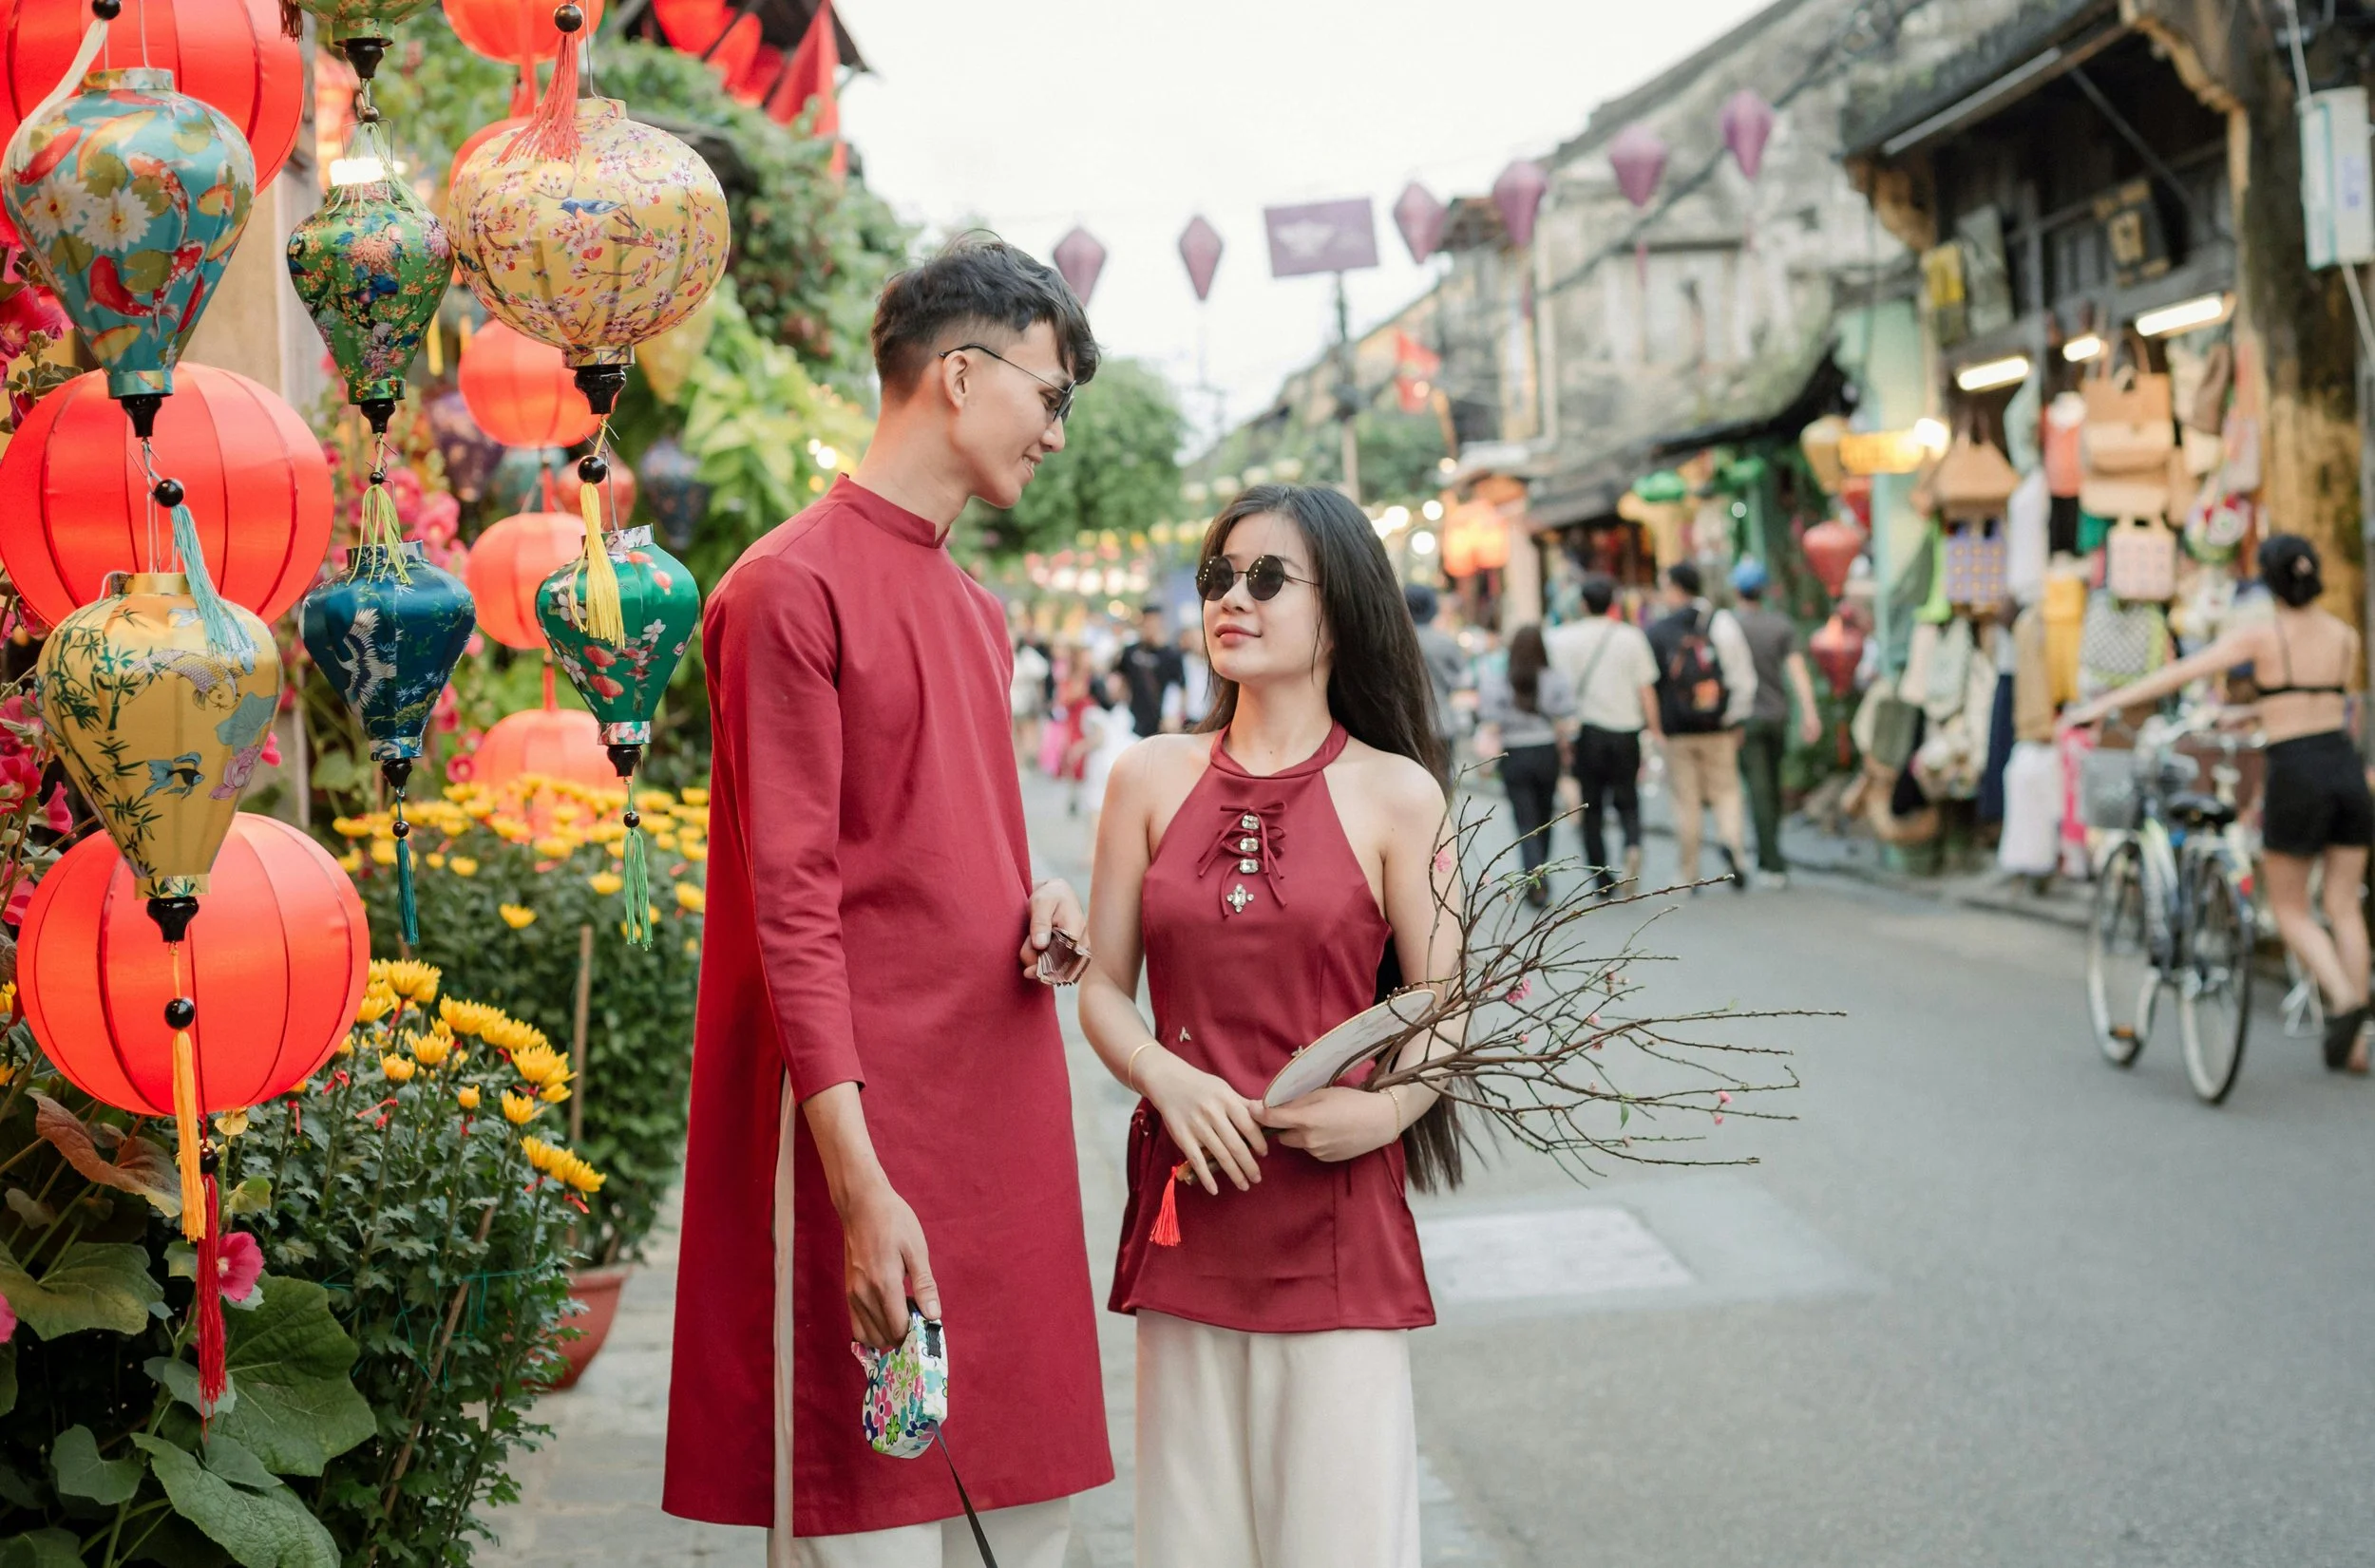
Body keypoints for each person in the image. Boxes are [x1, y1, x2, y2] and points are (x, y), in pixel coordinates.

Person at [667, 237, 1113, 1565]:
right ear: (962, 375)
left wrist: (1038, 895)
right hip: (864, 1131)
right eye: (1052, 393)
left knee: (1034, 1518)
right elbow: (789, 906)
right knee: (872, 1523)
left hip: (1007, 1118)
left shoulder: (977, 610)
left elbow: (944, 833)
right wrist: (858, 1187)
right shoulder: (785, 588)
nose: (1055, 429)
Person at [1078, 483, 1460, 1568]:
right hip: (1189, 1204)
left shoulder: (1398, 794)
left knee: (1338, 1541)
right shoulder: (1148, 776)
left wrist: (1385, 1110)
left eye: (1263, 578)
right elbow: (1102, 986)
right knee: (1189, 1538)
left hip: (1336, 1214)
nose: (1228, 600)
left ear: (1338, 610)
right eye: (1216, 578)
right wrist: (1165, 1076)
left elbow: (1446, 1001)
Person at [2064, 534, 2372, 1071]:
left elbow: (2182, 673)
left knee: (2291, 908)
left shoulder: (2263, 635)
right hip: (2346, 769)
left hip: (2297, 775)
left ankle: (2346, 1000)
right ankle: (2358, 1044)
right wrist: (2250, 717)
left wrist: (2103, 704)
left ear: (2269, 581)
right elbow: (2320, 704)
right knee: (2344, 905)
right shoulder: (2345, 637)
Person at [1546, 575, 1662, 896]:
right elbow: (1646, 689)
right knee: (1628, 798)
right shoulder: (1632, 637)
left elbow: (1554, 690)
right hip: (1626, 730)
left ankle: (1601, 876)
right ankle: (1633, 844)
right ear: (1612, 604)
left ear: (1583, 604)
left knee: (1591, 806)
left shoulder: (1559, 639)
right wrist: (1655, 730)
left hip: (1586, 732)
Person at [1647, 560, 1758, 890]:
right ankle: (1734, 851)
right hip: (1718, 726)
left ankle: (1689, 871)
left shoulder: (1657, 631)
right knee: (1726, 792)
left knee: (1686, 800)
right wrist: (1735, 716)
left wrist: (1654, 728)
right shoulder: (1720, 622)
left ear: (1676, 588)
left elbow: (1650, 685)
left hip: (1677, 731)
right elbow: (1741, 675)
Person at [1728, 560, 1822, 887]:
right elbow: (1797, 671)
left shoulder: (1728, 627)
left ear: (1736, 590)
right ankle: (1770, 857)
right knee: (1771, 786)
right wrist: (1810, 712)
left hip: (1744, 719)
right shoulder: (1780, 624)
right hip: (1777, 716)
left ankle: (1770, 861)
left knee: (1759, 791)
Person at [1477, 624, 1576, 905]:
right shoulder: (1554, 678)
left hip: (1514, 754)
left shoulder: (1499, 680)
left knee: (1525, 820)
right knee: (1545, 819)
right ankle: (1540, 874)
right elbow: (1567, 715)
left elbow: (1489, 718)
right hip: (1546, 752)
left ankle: (1536, 882)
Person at [1406, 582, 1472, 765]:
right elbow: (1465, 677)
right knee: (1442, 785)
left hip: (1407, 724)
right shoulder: (1444, 642)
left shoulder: (1393, 641)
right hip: (1441, 721)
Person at [1117, 602, 1187, 738]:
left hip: (1162, 724)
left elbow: (1180, 688)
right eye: (1148, 621)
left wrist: (1174, 716)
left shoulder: (1171, 655)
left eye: (1155, 621)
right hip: (1133, 722)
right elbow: (1121, 679)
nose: (1151, 626)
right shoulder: (1130, 652)